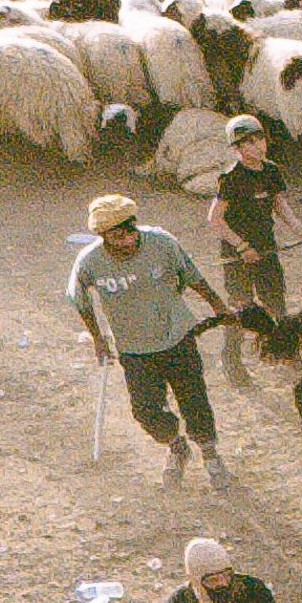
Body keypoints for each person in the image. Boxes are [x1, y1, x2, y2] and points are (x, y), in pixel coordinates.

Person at [63, 194, 229, 466]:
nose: (128, 242)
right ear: (104, 236)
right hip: (134, 349)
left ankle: (211, 455)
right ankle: (176, 445)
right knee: (145, 411)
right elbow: (79, 300)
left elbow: (191, 274)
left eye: (131, 233)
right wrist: (98, 339)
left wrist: (218, 306)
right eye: (118, 238)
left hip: (176, 336)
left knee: (195, 402)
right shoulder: (89, 262)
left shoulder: (161, 243)